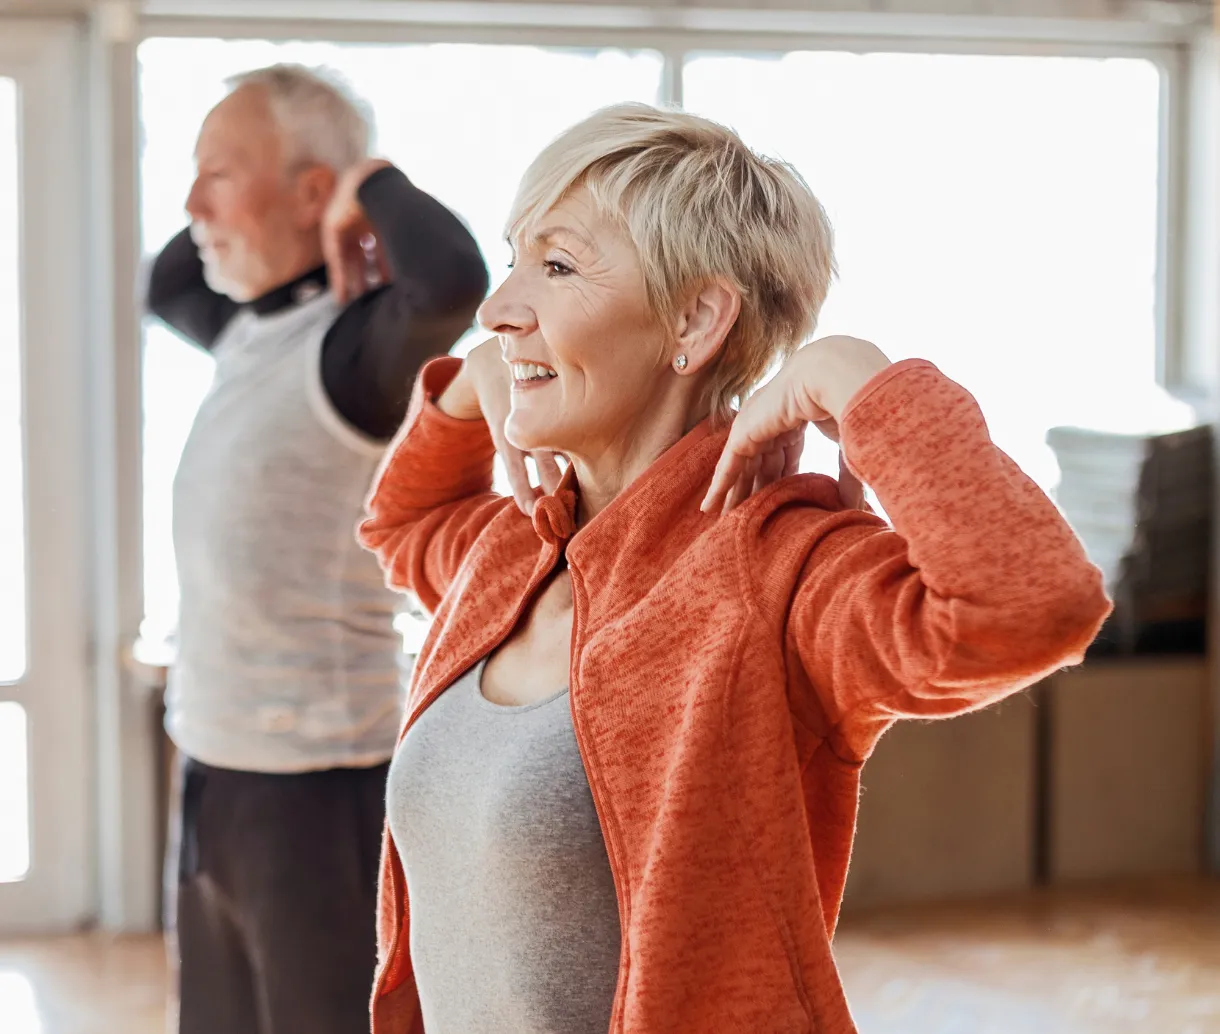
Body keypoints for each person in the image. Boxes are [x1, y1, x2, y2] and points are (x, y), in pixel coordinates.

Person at [358, 103, 1111, 1034]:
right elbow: (401, 524)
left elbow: (1032, 605)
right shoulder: (514, 549)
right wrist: (473, 395)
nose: (497, 310)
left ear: (697, 318)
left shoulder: (777, 573)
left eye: (555, 268)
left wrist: (862, 383)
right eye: (515, 260)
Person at [145, 64, 487, 1034]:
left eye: (218, 172)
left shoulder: (351, 353)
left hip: (319, 787)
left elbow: (452, 279)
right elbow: (167, 276)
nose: (190, 202)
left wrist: (361, 178)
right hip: (213, 763)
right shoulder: (246, 330)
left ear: (309, 190)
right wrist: (239, 186)